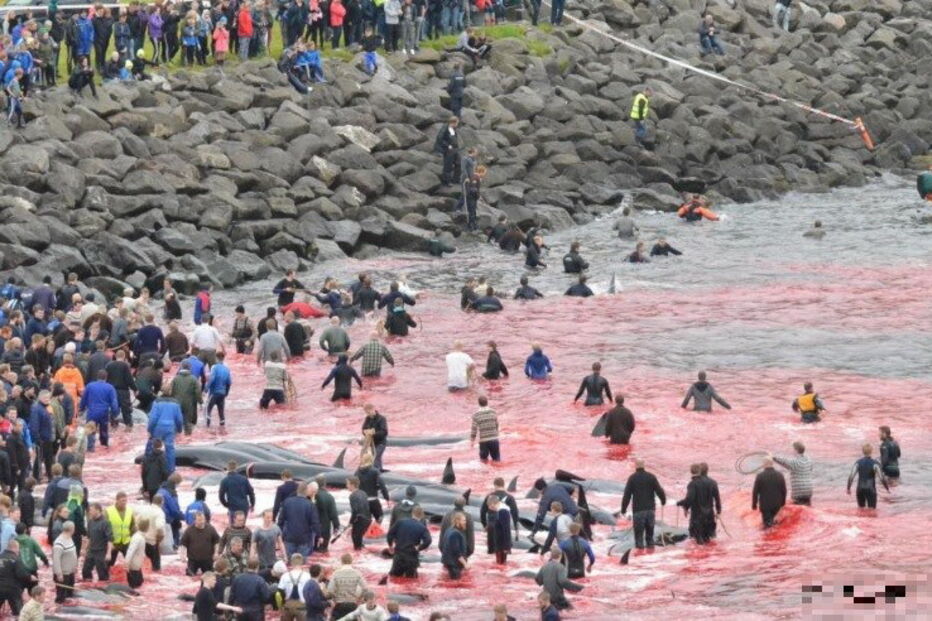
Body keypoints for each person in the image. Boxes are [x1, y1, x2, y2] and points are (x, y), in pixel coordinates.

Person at [621, 459, 666, 548]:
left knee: (639, 539)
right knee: (650, 538)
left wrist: (623, 509)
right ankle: (650, 558)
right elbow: (660, 491)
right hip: (650, 511)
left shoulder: (632, 478)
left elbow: (627, 495)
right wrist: (663, 501)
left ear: (636, 466)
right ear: (644, 466)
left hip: (638, 511)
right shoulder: (651, 477)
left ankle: (640, 558)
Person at [676, 463, 721, 544]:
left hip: (697, 517)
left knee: (698, 542)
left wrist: (681, 504)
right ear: (707, 471)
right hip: (710, 516)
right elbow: (717, 499)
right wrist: (718, 511)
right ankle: (711, 556)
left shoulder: (693, 483)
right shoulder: (713, 482)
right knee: (708, 541)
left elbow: (690, 499)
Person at [277, 482, 319, 560]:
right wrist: (319, 536)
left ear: (297, 490)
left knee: (289, 561)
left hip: (289, 537)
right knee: (302, 564)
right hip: (304, 539)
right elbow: (315, 523)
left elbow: (280, 521)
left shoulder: (287, 502)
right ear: (306, 491)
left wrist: (278, 535)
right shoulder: (310, 505)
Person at [386, 506, 431, 577]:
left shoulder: (400, 522)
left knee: (394, 578)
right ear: (422, 516)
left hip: (399, 555)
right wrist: (420, 547)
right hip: (411, 556)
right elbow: (428, 541)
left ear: (412, 513)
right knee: (410, 579)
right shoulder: (422, 527)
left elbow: (390, 534)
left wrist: (390, 546)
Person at [147, 393, 183, 474]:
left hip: (158, 428)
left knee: (154, 448)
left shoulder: (156, 402)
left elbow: (153, 418)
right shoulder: (176, 403)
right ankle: (171, 470)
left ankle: (153, 468)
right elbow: (179, 419)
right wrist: (179, 429)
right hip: (170, 428)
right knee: (170, 449)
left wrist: (150, 429)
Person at [847, 444, 889, 509]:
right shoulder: (875, 463)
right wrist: (887, 489)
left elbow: (851, 476)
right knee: (872, 511)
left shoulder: (858, 462)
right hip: (870, 489)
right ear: (871, 451)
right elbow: (882, 478)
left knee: (861, 510)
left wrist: (848, 488)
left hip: (860, 488)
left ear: (863, 451)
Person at [181, 511, 220, 576]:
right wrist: (183, 555)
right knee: (190, 574)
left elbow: (217, 541)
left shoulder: (210, 528)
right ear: (195, 521)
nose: (202, 522)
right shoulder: (189, 530)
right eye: (199, 520)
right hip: (193, 559)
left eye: (203, 519)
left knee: (210, 574)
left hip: (207, 559)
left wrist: (216, 553)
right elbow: (183, 544)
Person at [0, 539, 33, 615]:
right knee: (19, 613)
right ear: (14, 547)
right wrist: (30, 577)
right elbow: (21, 574)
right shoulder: (16, 559)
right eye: (18, 548)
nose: (18, 551)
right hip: (13, 589)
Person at [751, 458, 786, 528]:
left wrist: (754, 505)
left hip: (765, 506)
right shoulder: (780, 475)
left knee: (767, 525)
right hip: (777, 505)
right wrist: (782, 503)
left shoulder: (760, 476)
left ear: (764, 464)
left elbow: (755, 492)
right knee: (773, 522)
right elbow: (784, 490)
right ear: (772, 464)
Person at [170, 361, 202, 435]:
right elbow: (198, 392)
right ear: (190, 368)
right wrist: (200, 402)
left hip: (176, 403)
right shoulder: (193, 379)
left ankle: (176, 439)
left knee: (176, 421)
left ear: (181, 367)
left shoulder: (175, 378)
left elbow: (170, 391)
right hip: (189, 404)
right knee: (188, 422)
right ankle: (187, 439)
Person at [82, 503, 111, 581]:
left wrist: (108, 553)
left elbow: (110, 539)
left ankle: (103, 589)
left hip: (101, 552)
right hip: (91, 550)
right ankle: (88, 587)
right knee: (85, 571)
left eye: (91, 510)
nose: (89, 512)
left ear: (97, 510)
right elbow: (89, 537)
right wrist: (85, 549)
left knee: (102, 574)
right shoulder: (90, 522)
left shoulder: (105, 523)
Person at [52, 521, 77, 604]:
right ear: (72, 529)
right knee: (61, 596)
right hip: (63, 573)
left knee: (69, 593)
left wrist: (74, 567)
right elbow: (56, 559)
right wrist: (59, 573)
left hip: (70, 572)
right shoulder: (59, 542)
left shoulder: (69, 538)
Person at [205, 352, 232, 427]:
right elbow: (229, 382)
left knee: (208, 409)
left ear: (216, 358)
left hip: (214, 393)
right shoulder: (227, 369)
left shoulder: (214, 367)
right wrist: (226, 392)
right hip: (222, 393)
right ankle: (222, 427)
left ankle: (207, 427)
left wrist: (206, 388)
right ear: (223, 358)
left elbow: (212, 379)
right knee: (221, 412)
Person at [470, 396, 501, 462]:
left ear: (479, 403)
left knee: (483, 461)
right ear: (487, 402)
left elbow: (474, 429)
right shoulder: (493, 412)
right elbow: (496, 424)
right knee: (497, 460)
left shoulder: (476, 415)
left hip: (484, 441)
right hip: (494, 439)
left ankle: (486, 472)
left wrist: (472, 441)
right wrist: (496, 433)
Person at [484, 495, 511, 565]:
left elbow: (506, 530)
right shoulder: (500, 510)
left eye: (490, 506)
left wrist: (506, 547)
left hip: (501, 544)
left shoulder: (503, 512)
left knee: (500, 564)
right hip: (499, 542)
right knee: (500, 563)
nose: (489, 508)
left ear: (493, 504)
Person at [441, 513, 469, 579]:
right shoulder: (455, 533)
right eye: (464, 520)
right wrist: (465, 563)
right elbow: (456, 551)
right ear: (457, 521)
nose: (465, 522)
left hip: (449, 562)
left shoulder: (449, 529)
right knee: (455, 583)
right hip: (453, 563)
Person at [346, 477, 371, 551]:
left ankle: (359, 558)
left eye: (347, 484)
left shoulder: (352, 496)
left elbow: (355, 511)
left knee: (356, 541)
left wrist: (350, 522)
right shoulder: (363, 493)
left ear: (352, 485)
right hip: (368, 520)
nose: (346, 486)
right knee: (359, 539)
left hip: (361, 520)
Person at [361, 404, 388, 471]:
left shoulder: (382, 419)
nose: (368, 414)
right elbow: (363, 429)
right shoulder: (367, 419)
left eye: (369, 412)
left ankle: (377, 472)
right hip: (371, 443)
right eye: (366, 413)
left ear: (373, 409)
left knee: (376, 457)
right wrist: (366, 432)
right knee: (375, 458)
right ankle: (379, 470)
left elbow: (384, 432)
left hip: (381, 443)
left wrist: (373, 434)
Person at [435, 116, 460, 185]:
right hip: (447, 150)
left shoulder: (453, 128)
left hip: (454, 149)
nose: (457, 124)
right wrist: (447, 145)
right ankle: (446, 181)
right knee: (448, 165)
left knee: (459, 163)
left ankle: (456, 179)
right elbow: (439, 138)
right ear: (453, 123)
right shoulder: (445, 128)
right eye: (457, 123)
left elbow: (454, 138)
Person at [125, 516, 148, 588]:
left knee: (136, 585)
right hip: (136, 565)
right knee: (137, 585)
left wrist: (127, 563)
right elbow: (132, 551)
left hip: (135, 565)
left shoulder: (138, 537)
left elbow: (131, 551)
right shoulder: (140, 537)